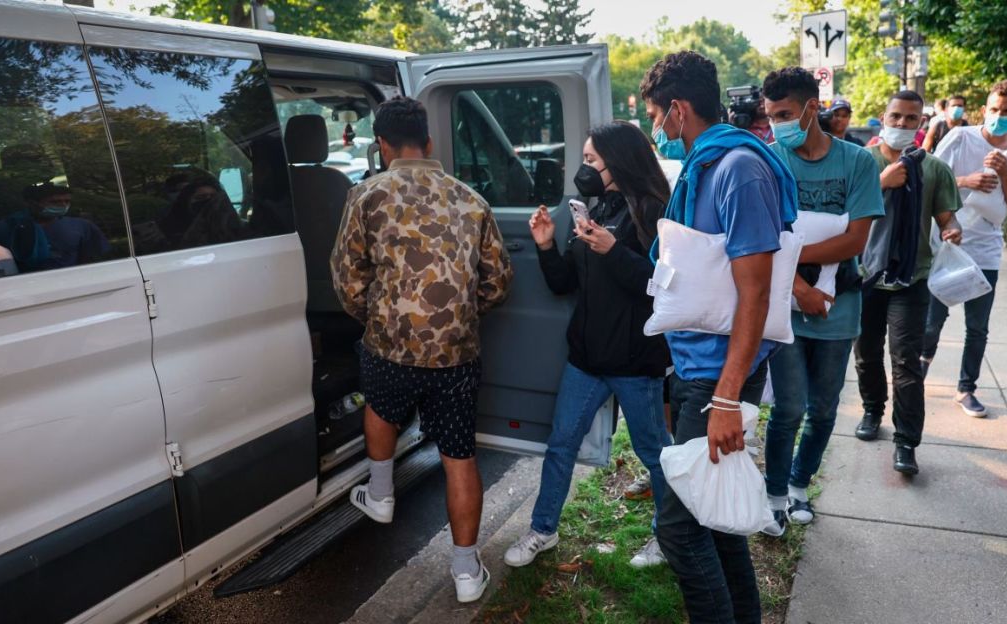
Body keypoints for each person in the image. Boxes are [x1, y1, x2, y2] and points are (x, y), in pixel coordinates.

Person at [331, 96, 513, 603]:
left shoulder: (367, 197)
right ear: (428, 143)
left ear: (383, 146)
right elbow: (497, 283)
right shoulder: (470, 200)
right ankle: (464, 572)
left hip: (388, 346)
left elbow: (347, 280)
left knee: (382, 408)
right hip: (455, 353)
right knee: (459, 456)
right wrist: (457, 316)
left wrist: (379, 320)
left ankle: (382, 493)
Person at [641, 50, 798, 624]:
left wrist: (727, 397)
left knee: (679, 530)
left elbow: (754, 292)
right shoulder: (707, 165)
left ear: (678, 110)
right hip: (697, 367)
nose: (656, 128)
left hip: (716, 376)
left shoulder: (738, 169)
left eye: (657, 115)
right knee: (714, 516)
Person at [503, 121, 674, 571]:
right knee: (560, 445)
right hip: (586, 359)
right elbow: (564, 284)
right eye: (584, 159)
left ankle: (669, 535)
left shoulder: (656, 211)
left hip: (637, 362)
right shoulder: (596, 208)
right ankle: (543, 528)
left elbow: (662, 287)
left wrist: (614, 250)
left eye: (592, 160)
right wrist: (544, 246)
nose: (584, 168)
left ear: (617, 163)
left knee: (655, 453)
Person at [761, 67, 884, 534]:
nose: (778, 125)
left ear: (813, 108)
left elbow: (855, 240)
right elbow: (761, 239)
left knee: (824, 409)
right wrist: (799, 287)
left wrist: (790, 254)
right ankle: (773, 494)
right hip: (786, 308)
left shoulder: (857, 162)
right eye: (772, 116)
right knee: (789, 407)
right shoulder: (770, 160)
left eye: (786, 114)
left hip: (839, 310)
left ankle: (798, 485)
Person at [853, 91, 964, 475]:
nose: (902, 124)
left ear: (921, 123)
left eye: (911, 119)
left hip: (911, 279)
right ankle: (871, 410)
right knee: (866, 355)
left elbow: (946, 215)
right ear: (882, 117)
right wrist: (882, 182)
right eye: (896, 117)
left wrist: (952, 228)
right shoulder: (860, 163)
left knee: (905, 363)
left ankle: (906, 443)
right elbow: (844, 214)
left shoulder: (933, 168)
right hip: (865, 276)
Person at [922, 79, 1007, 418]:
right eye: (994, 110)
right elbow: (930, 179)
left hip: (985, 248)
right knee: (932, 320)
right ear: (984, 109)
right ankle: (917, 373)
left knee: (978, 327)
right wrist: (965, 181)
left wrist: (1005, 174)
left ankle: (966, 388)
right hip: (944, 242)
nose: (999, 116)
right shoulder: (960, 138)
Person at [0, 183, 112, 272]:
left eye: (67, 201)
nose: (63, 205)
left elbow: (94, 261)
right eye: (55, 202)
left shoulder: (82, 226)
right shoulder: (4, 228)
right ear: (31, 203)